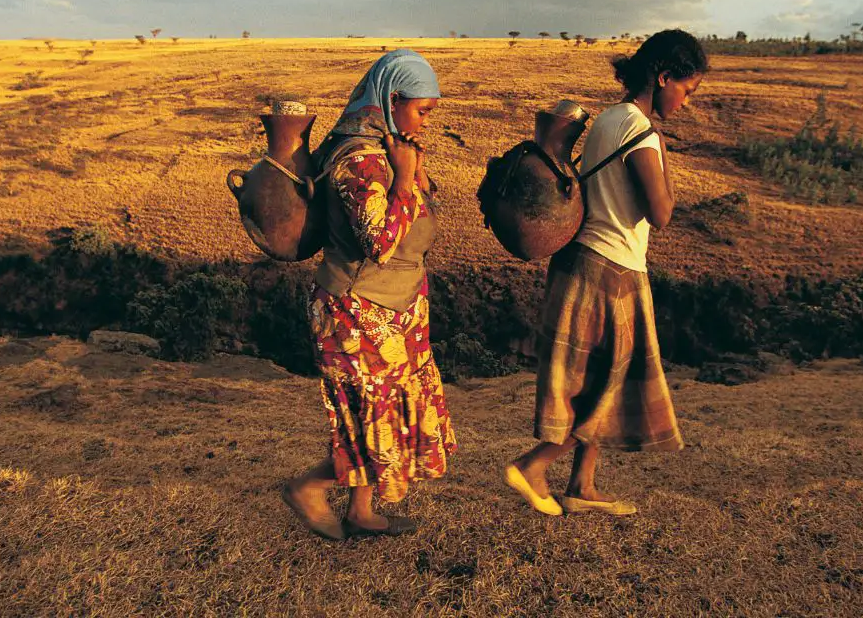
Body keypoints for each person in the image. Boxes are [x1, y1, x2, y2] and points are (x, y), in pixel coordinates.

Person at [504, 29, 708, 517]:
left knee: (603, 375)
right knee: (610, 383)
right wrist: (663, 153)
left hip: (587, 260)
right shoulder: (639, 130)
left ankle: (583, 485)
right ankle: (534, 467)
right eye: (686, 88)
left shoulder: (609, 119)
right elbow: (661, 214)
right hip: (610, 267)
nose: (686, 100)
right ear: (663, 78)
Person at [282, 49, 457, 540]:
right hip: (356, 310)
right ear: (393, 99)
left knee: (384, 410)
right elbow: (378, 243)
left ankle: (361, 511)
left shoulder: (386, 148)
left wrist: (413, 177)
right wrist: (403, 179)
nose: (423, 125)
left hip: (395, 306)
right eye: (421, 111)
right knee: (367, 416)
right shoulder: (360, 158)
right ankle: (307, 488)